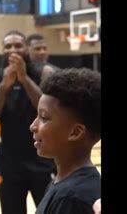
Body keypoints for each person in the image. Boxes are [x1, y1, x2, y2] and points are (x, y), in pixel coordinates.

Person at [0, 30, 57, 214]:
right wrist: (4, 86)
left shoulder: (44, 72)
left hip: (42, 155)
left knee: (49, 209)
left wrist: (24, 79)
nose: (13, 50)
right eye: (8, 46)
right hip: (8, 159)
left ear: (26, 50)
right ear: (2, 51)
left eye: (18, 45)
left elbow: (50, 110)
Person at [30, 68, 101, 214]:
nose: (33, 126)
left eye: (43, 118)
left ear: (75, 132)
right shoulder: (63, 182)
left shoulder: (70, 198)